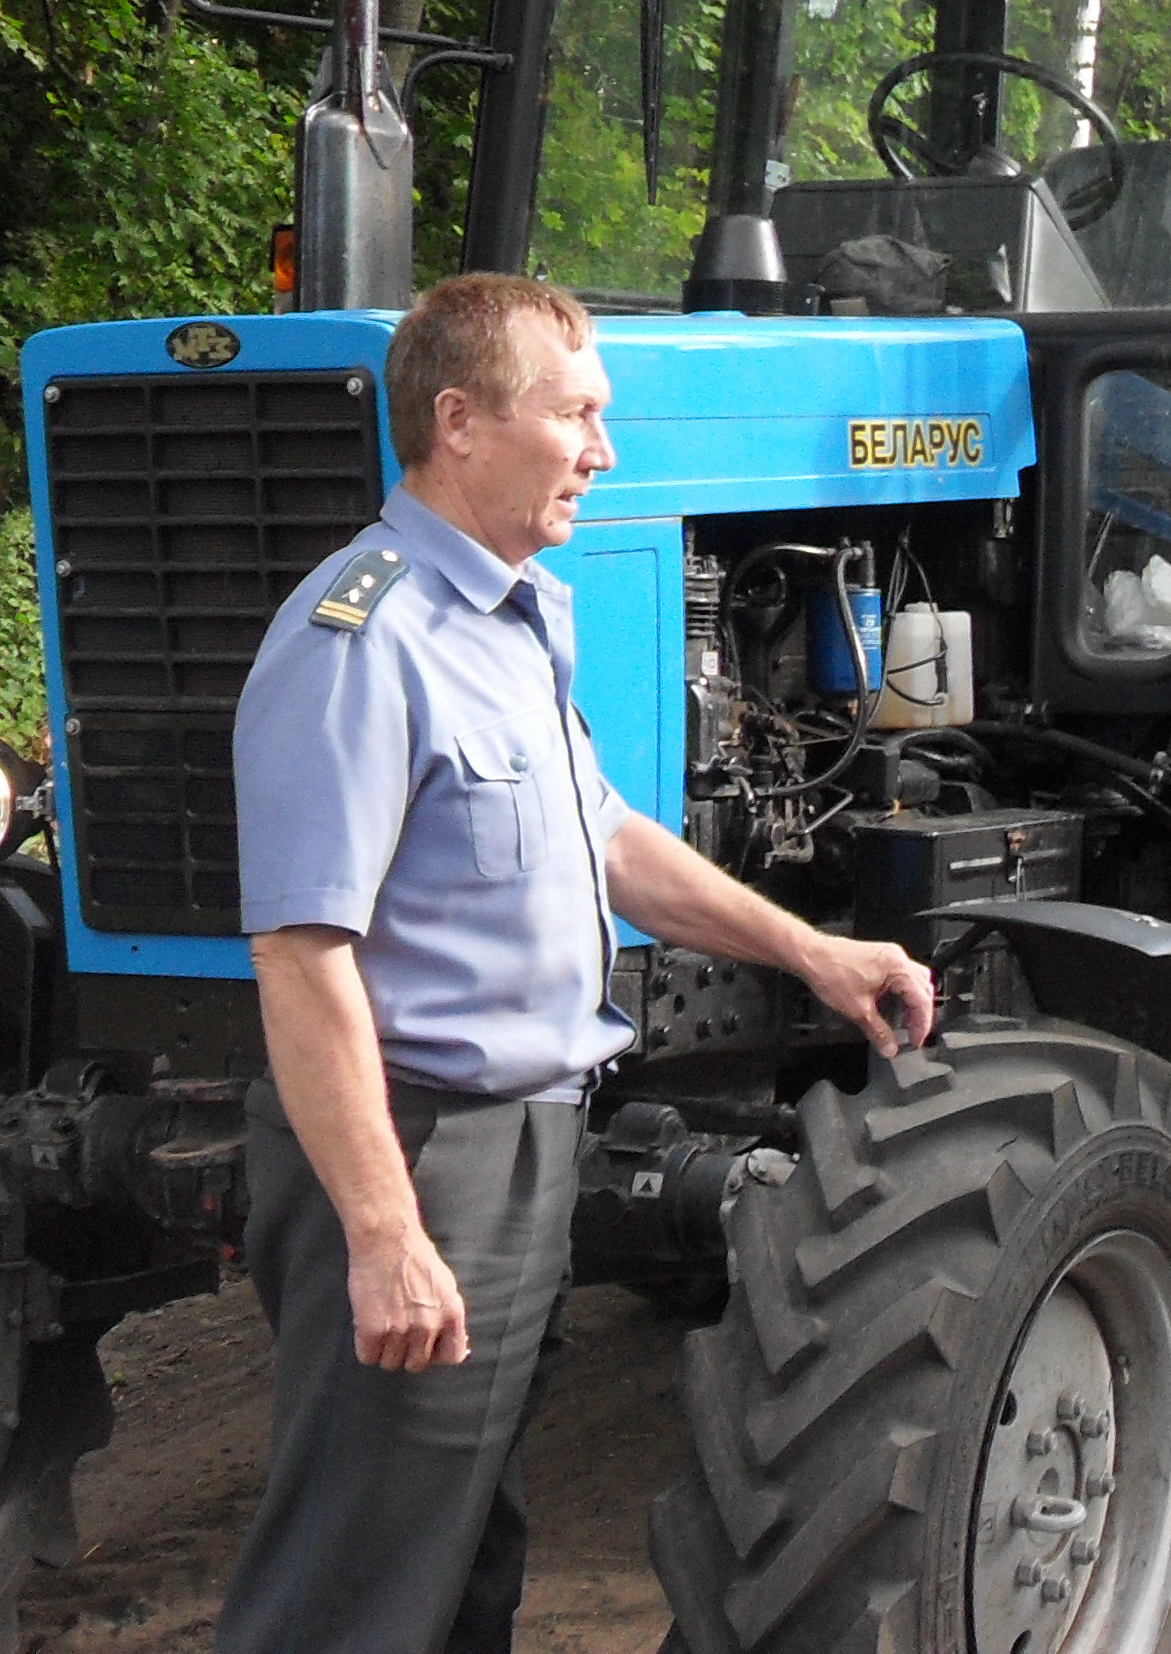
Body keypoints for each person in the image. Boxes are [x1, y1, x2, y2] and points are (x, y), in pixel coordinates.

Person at [216, 272, 938, 1654]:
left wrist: (816, 954)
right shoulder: (360, 643)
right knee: (352, 1589)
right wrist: (383, 1236)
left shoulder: (516, 617)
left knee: (462, 1565)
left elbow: (600, 835)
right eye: (575, 415)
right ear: (459, 424)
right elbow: (301, 953)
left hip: (531, 1146)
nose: (603, 450)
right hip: (424, 1155)